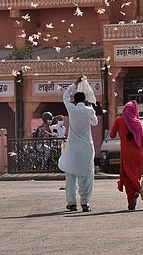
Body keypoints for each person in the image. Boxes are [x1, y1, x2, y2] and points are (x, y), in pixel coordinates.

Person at [61, 77, 98, 211]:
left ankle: (71, 203)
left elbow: (65, 96)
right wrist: (91, 108)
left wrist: (75, 84)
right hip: (86, 147)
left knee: (71, 176)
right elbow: (95, 123)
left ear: (75, 100)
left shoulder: (71, 108)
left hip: (72, 148)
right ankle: (85, 203)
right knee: (86, 175)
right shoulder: (89, 110)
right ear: (84, 99)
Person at [110, 101, 143, 210]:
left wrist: (120, 131)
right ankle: (134, 197)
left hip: (126, 153)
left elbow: (112, 135)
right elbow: (142, 141)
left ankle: (137, 191)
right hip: (138, 153)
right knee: (136, 175)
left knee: (127, 176)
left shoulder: (119, 120)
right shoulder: (138, 123)